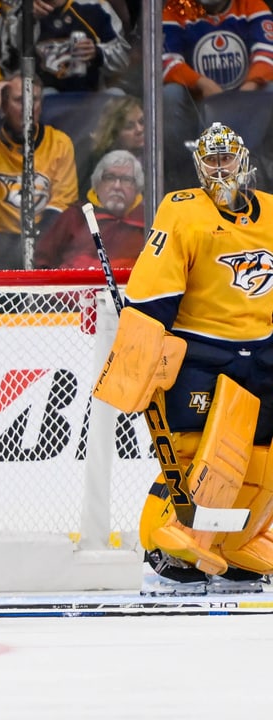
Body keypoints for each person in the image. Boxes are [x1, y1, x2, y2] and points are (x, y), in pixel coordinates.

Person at [93, 122, 273, 592]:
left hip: (264, 353)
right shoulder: (182, 210)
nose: (219, 168)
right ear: (199, 165)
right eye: (210, 160)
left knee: (261, 460)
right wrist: (138, 358)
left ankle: (237, 547)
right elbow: (153, 294)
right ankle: (164, 549)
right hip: (202, 350)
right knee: (196, 456)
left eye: (226, 159)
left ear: (243, 162)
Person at [0, 72, 78, 269]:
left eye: (35, 100)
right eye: (19, 101)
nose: (29, 109)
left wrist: (36, 241)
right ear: (4, 105)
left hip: (41, 237)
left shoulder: (59, 143)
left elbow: (62, 202)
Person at [162, 0, 273, 190]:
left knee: (270, 89)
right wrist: (201, 83)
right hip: (197, 106)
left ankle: (258, 164)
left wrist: (251, 85)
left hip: (246, 102)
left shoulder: (251, 5)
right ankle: (180, 171)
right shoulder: (175, 9)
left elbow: (268, 51)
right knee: (170, 94)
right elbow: (165, 59)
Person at [35, 149, 144, 269]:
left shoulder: (148, 220)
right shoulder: (75, 216)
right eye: (109, 178)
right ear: (97, 184)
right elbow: (43, 261)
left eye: (126, 180)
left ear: (137, 187)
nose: (117, 186)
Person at [17, 0, 130, 94]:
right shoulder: (21, 8)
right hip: (42, 98)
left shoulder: (96, 6)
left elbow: (123, 61)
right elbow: (8, 59)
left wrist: (98, 53)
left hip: (90, 95)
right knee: (43, 93)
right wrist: (27, 20)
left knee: (116, 94)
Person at [78, 94, 143, 198]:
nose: (139, 130)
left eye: (142, 122)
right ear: (114, 133)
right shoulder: (98, 165)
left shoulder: (159, 158)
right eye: (129, 126)